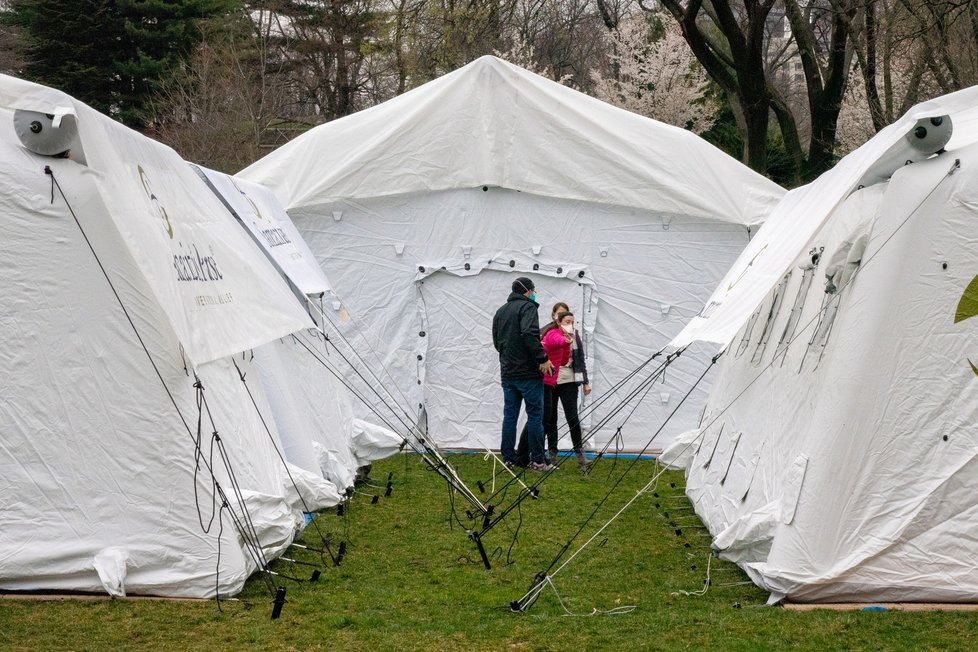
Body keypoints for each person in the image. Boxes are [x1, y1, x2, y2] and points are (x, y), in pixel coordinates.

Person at [492, 277, 555, 472]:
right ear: (528, 291)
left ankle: (509, 458)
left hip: (508, 372)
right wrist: (542, 358)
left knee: (510, 416)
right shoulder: (528, 308)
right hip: (528, 373)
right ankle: (537, 460)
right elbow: (529, 334)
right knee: (536, 416)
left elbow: (496, 342)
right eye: (533, 290)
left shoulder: (500, 311)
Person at [553, 311, 592, 474]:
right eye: (566, 321)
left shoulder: (574, 335)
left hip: (569, 379)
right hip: (552, 379)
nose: (570, 324)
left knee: (572, 417)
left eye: (572, 321)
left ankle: (579, 452)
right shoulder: (551, 333)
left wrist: (585, 381)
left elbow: (580, 358)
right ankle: (551, 452)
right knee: (550, 417)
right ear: (557, 320)